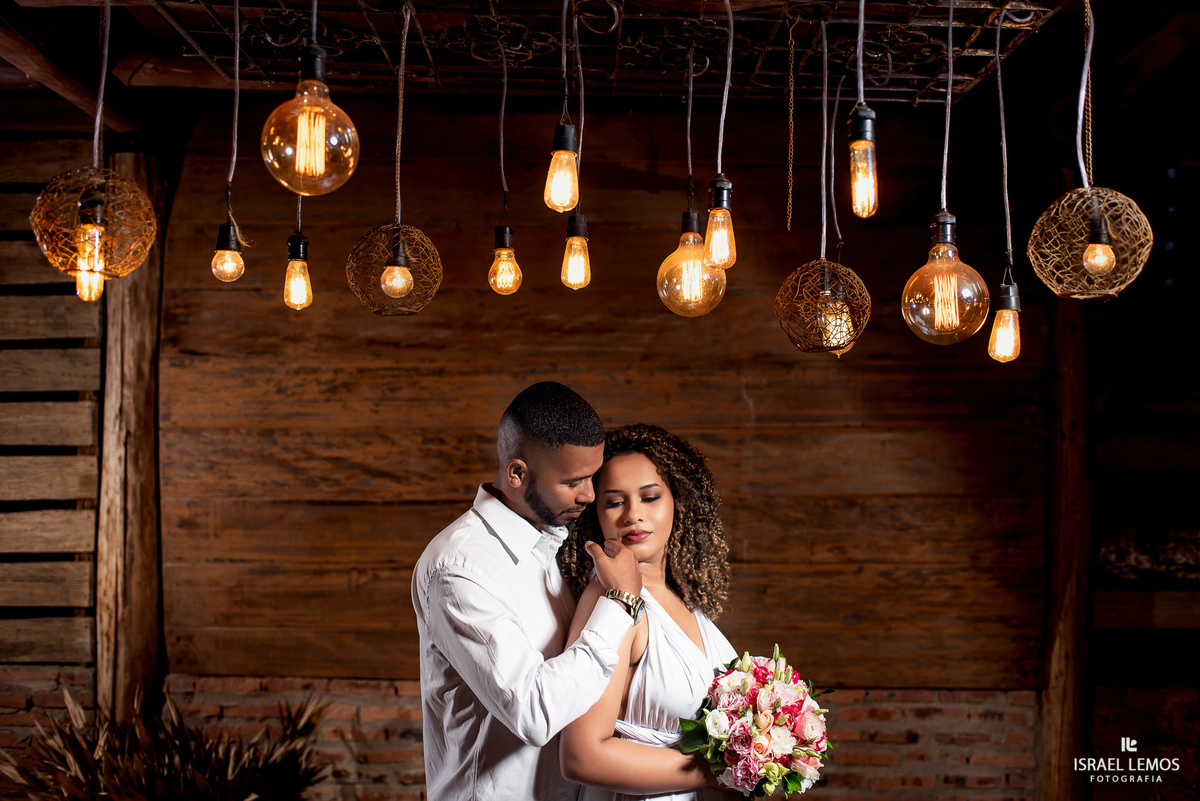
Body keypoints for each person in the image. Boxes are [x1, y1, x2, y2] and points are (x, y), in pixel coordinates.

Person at [412, 382, 652, 801]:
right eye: (573, 481)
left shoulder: (549, 544)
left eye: (592, 477)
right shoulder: (458, 570)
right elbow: (533, 712)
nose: (589, 494)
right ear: (517, 473)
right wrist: (620, 603)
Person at [557, 423, 739, 801]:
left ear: (677, 501)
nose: (633, 515)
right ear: (596, 515)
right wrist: (719, 770)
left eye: (650, 497)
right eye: (614, 502)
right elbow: (581, 757)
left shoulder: (682, 597)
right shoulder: (612, 599)